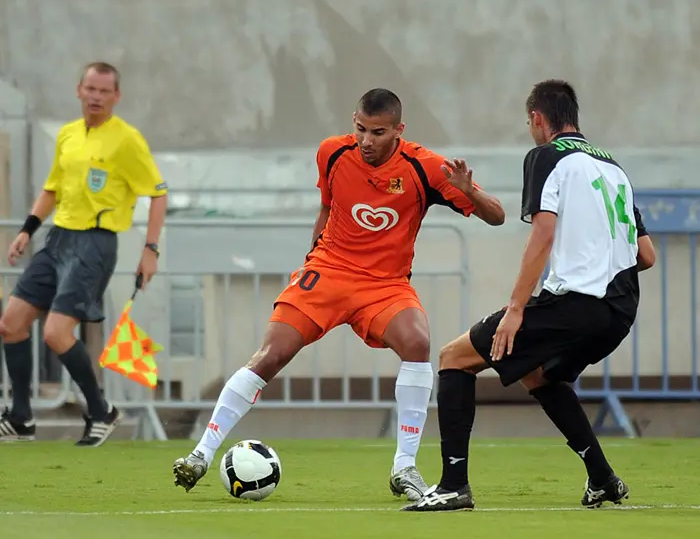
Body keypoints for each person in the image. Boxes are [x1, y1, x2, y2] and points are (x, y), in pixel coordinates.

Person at [173, 88, 505, 500]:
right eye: (361, 129)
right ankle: (200, 455)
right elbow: (328, 206)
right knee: (271, 354)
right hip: (329, 272)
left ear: (399, 130)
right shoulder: (332, 152)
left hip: (384, 284)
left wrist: (469, 191)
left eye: (378, 132)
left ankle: (405, 467)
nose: (367, 141)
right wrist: (314, 256)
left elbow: (498, 217)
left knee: (417, 343)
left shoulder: (427, 168)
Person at [403, 79, 656, 512]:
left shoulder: (546, 156)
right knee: (539, 375)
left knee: (454, 358)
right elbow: (646, 255)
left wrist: (516, 308)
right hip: (620, 309)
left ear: (538, 119)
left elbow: (543, 230)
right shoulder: (614, 168)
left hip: (576, 303)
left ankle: (452, 485)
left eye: (529, 123)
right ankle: (603, 479)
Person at [0, 62, 168, 446]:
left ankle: (101, 411)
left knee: (57, 333)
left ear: (116, 97)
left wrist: (150, 250)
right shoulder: (68, 135)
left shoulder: (127, 140)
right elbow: (52, 188)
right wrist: (27, 231)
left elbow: (158, 194)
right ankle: (22, 418)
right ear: (79, 90)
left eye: (104, 91)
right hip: (58, 238)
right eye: (90, 89)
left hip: (95, 243)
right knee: (11, 323)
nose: (96, 97)